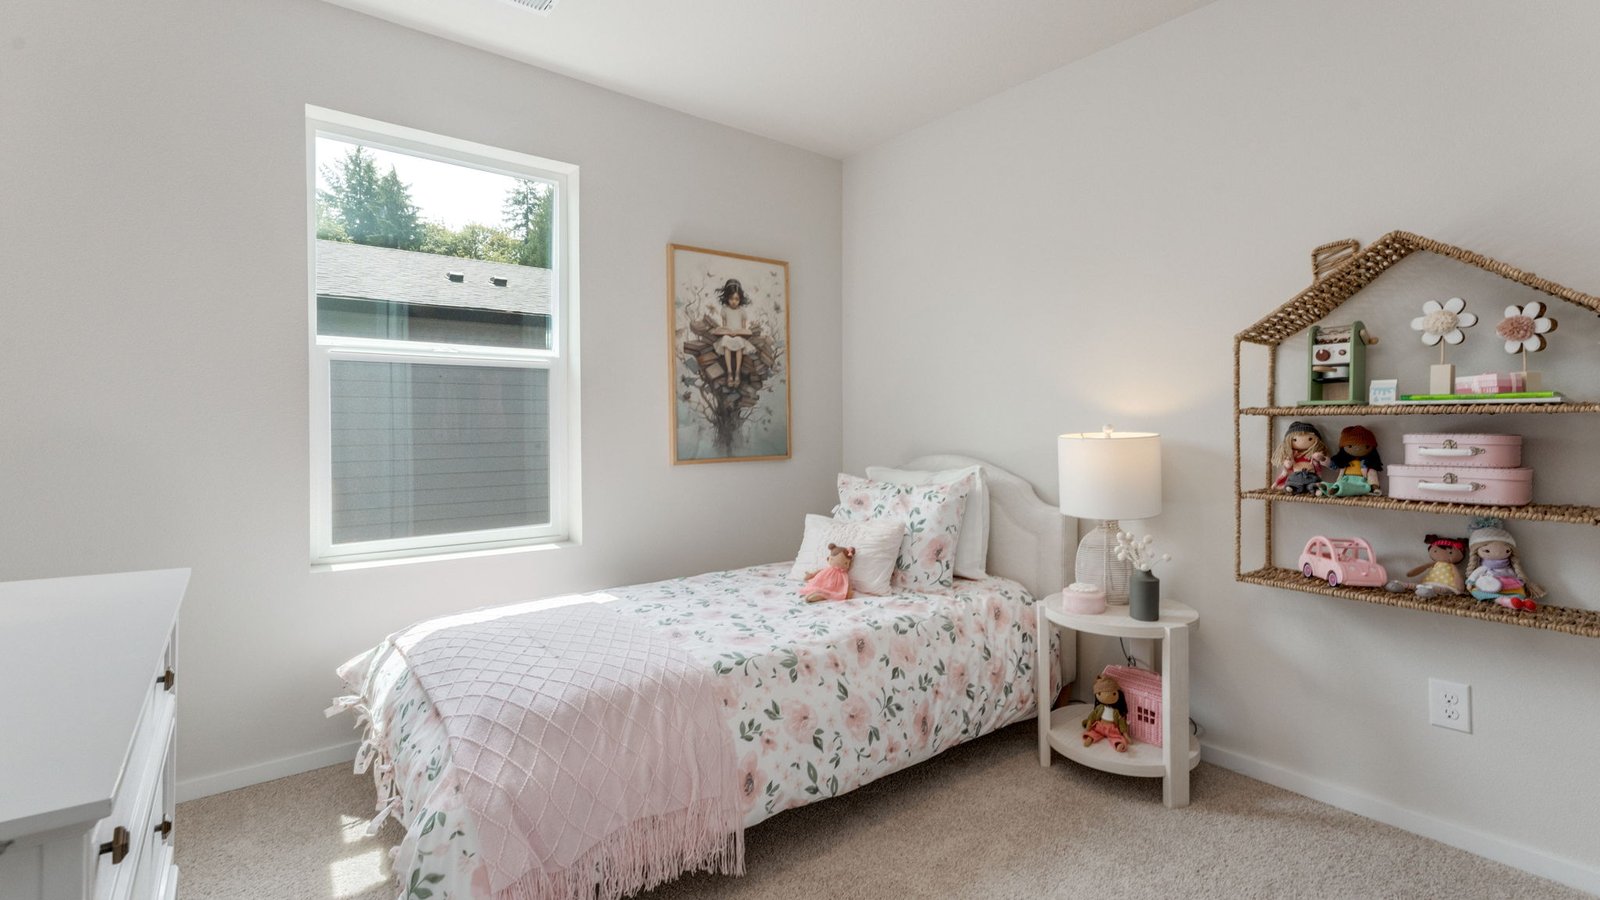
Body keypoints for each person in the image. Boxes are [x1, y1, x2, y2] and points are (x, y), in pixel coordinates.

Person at [710, 278, 757, 387]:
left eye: (736, 299)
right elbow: (724, 326)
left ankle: (737, 373)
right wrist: (727, 332)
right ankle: (730, 372)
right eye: (731, 298)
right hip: (728, 335)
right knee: (726, 340)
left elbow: (744, 329)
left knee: (739, 342)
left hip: (739, 336)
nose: (734, 301)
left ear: (740, 298)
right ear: (727, 298)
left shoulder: (742, 311)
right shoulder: (725, 310)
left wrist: (737, 333)